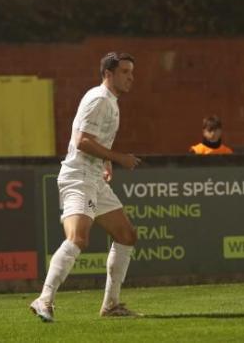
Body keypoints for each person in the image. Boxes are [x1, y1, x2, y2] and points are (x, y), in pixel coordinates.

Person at [30, 52, 142, 323]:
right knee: (78, 238)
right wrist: (119, 158)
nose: (131, 77)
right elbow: (82, 141)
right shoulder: (99, 99)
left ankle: (111, 305)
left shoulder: (110, 101)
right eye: (125, 72)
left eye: (131, 72)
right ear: (108, 73)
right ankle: (44, 299)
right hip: (78, 176)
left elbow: (93, 140)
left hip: (93, 177)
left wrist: (106, 161)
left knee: (126, 235)